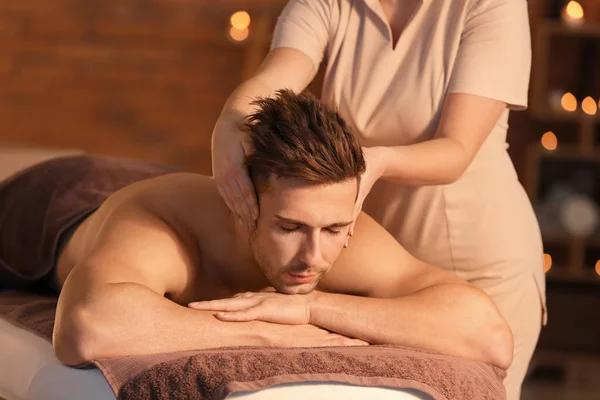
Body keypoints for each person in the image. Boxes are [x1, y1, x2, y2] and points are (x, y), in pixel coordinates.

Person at [16, 91, 515, 370]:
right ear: (242, 203)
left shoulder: (331, 227)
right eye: (289, 227)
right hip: (57, 201)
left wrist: (310, 307)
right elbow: (85, 327)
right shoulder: (157, 227)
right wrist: (272, 331)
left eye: (334, 227)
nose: (314, 256)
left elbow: (489, 336)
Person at [210, 1, 545, 398]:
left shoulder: (490, 5)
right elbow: (274, 80)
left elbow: (456, 149)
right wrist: (230, 121)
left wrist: (373, 162)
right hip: (378, 266)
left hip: (482, 262)